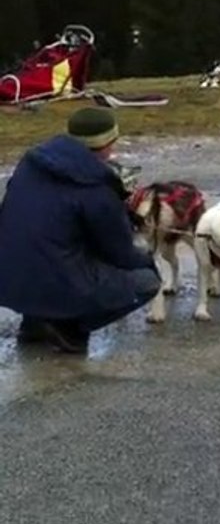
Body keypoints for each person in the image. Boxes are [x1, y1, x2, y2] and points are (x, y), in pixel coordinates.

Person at [0, 107, 161, 353]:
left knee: (47, 251)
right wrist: (147, 259)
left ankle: (34, 322)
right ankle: (67, 328)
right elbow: (119, 253)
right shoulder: (96, 187)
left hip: (9, 276)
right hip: (53, 277)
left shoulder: (31, 163)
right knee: (147, 280)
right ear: (109, 142)